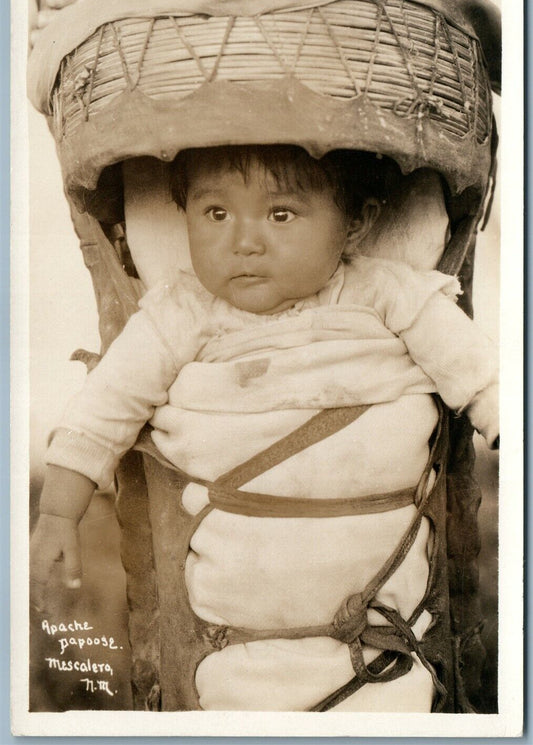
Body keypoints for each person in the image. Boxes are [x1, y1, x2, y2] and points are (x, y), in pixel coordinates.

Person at [30, 144, 498, 711]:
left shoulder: (388, 292)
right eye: (216, 214)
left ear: (356, 223)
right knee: (238, 688)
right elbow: (102, 411)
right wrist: (59, 511)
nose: (243, 242)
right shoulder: (181, 314)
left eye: (280, 215)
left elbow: (481, 375)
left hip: (374, 578)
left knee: (392, 689)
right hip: (246, 578)